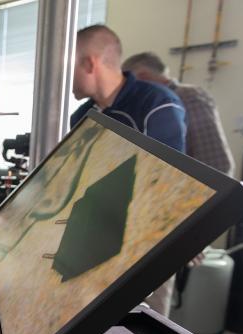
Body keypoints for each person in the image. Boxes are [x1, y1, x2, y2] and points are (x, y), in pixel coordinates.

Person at [70, 25, 187, 317]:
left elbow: (171, 182)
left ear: (89, 63)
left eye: (66, 66)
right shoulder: (81, 118)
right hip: (97, 245)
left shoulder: (156, 103)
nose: (60, 77)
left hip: (150, 246)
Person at [122, 51, 235, 176]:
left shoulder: (188, 96)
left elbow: (212, 158)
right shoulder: (155, 104)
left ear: (143, 77)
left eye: (129, 83)